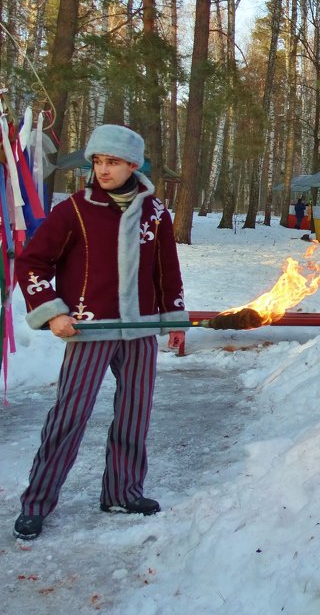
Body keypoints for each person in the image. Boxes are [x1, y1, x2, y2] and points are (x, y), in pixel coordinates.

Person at [12, 125, 188, 541]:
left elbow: (167, 270)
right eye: (98, 161)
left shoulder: (156, 212)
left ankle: (122, 493)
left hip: (140, 330)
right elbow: (32, 263)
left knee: (134, 414)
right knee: (69, 417)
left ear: (133, 165)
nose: (103, 170)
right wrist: (53, 313)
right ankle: (36, 503)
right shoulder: (76, 209)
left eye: (112, 162)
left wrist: (173, 320)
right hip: (89, 330)